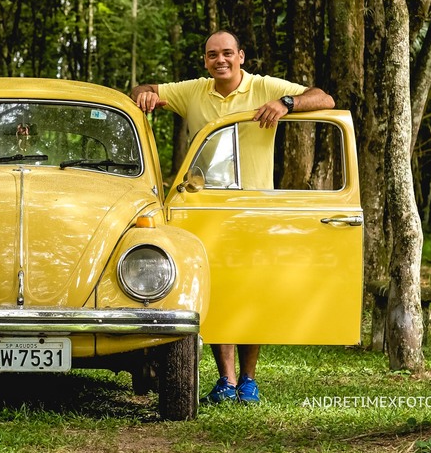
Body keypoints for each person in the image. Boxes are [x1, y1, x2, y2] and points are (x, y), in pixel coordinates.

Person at [130, 30, 335, 405]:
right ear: (205, 61)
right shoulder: (194, 90)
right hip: (207, 205)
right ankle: (225, 379)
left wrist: (287, 102)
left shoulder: (264, 86)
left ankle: (249, 380)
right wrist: (144, 93)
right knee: (217, 289)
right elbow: (142, 88)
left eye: (227, 53)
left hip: (256, 205)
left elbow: (324, 98)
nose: (220, 60)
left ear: (241, 56)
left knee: (252, 289)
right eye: (212, 55)